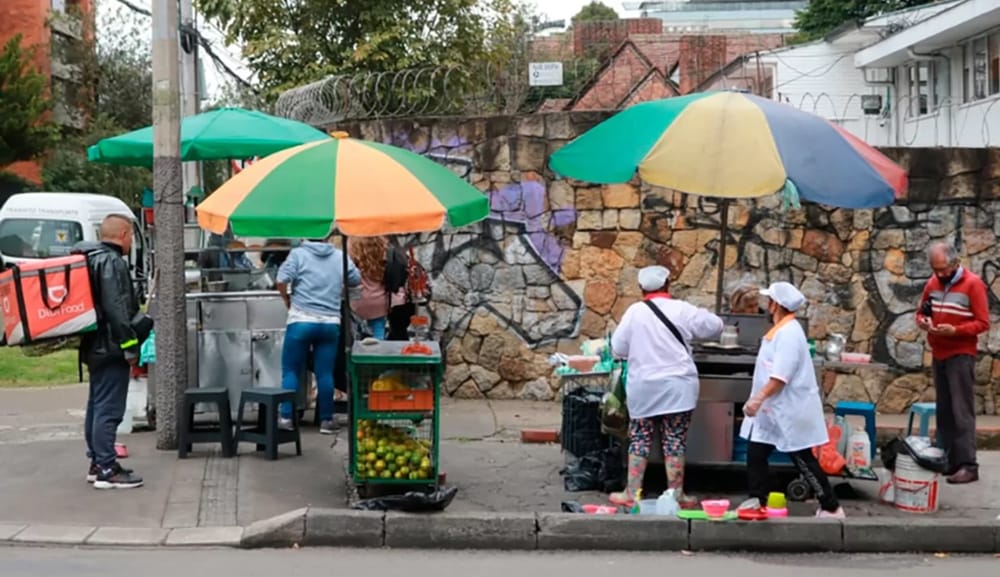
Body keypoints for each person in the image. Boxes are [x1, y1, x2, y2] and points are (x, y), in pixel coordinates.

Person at [608, 265, 724, 507]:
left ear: (641, 289)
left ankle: (632, 493)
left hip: (644, 388)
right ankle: (676, 494)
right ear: (668, 284)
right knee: (675, 440)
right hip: (678, 387)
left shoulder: (634, 312)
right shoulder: (682, 309)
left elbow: (617, 348)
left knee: (639, 438)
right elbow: (715, 326)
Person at [739, 281, 845, 518]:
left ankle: (831, 507)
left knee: (802, 458)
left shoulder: (789, 334)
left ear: (776, 305)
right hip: (773, 410)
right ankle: (757, 499)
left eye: (769, 300)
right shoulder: (780, 331)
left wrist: (758, 398)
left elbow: (780, 377)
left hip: (788, 409)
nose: (767, 305)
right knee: (756, 452)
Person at [75, 214, 145, 490]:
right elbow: (117, 309)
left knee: (97, 404)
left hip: (93, 344)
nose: (131, 242)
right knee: (109, 408)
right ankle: (107, 468)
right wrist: (130, 347)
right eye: (131, 237)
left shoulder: (90, 258)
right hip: (111, 346)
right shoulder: (111, 262)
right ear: (124, 234)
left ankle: (97, 463)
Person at [916, 242, 990, 484]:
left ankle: (968, 464)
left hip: (960, 353)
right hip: (939, 351)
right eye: (935, 269)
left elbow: (983, 322)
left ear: (955, 263)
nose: (939, 274)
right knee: (945, 410)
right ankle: (949, 459)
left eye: (943, 269)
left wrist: (955, 331)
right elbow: (921, 312)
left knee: (961, 410)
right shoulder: (932, 283)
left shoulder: (973, 284)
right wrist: (924, 322)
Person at [276, 235, 361, 435]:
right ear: (326, 236)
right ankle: (326, 420)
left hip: (301, 321)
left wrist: (286, 298)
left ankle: (286, 418)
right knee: (325, 373)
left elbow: (281, 279)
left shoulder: (298, 254)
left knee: (291, 370)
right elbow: (355, 280)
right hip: (330, 323)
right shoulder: (340, 256)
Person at [347, 236, 407, 339]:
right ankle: (378, 345)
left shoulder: (352, 249)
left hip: (358, 301)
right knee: (378, 329)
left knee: (354, 331)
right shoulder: (385, 250)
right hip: (380, 302)